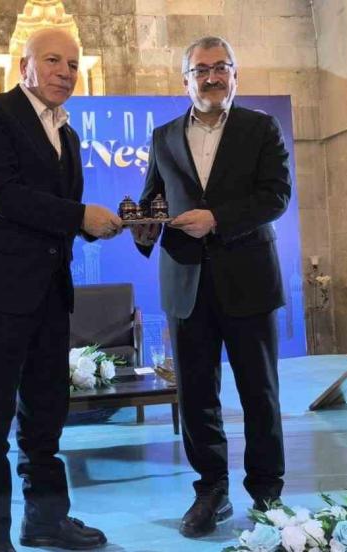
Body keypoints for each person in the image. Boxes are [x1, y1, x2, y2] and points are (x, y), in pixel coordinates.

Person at [0, 28, 121, 552]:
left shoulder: (69, 136)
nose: (66, 72)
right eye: (53, 60)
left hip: (49, 291)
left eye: (73, 64)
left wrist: (98, 226)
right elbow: (1, 195)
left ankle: (45, 520)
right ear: (24, 67)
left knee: (45, 415)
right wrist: (79, 216)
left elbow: (55, 216)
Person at [132, 35, 291, 538]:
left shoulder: (261, 128)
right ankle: (211, 491)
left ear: (235, 75)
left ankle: (267, 493)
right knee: (197, 395)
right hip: (185, 283)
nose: (212, 77)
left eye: (221, 67)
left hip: (249, 280)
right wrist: (141, 226)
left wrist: (217, 218)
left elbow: (276, 196)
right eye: (201, 70)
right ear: (186, 80)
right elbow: (153, 199)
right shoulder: (163, 137)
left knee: (259, 393)